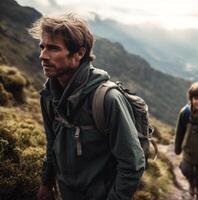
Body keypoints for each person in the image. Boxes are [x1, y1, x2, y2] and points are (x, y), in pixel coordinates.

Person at [29, 14, 145, 200]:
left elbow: (132, 164)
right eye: (42, 47)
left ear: (79, 53)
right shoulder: (49, 96)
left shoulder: (107, 100)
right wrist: (46, 182)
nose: (43, 56)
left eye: (53, 48)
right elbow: (52, 144)